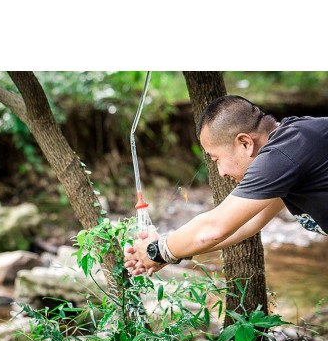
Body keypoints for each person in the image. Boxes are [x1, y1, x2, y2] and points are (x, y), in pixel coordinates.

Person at [124, 94, 328, 276]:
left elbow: (215, 228)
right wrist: (165, 251)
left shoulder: (283, 154)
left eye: (216, 159)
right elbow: (244, 225)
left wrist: (158, 250)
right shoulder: (292, 147)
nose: (221, 172)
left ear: (245, 143)